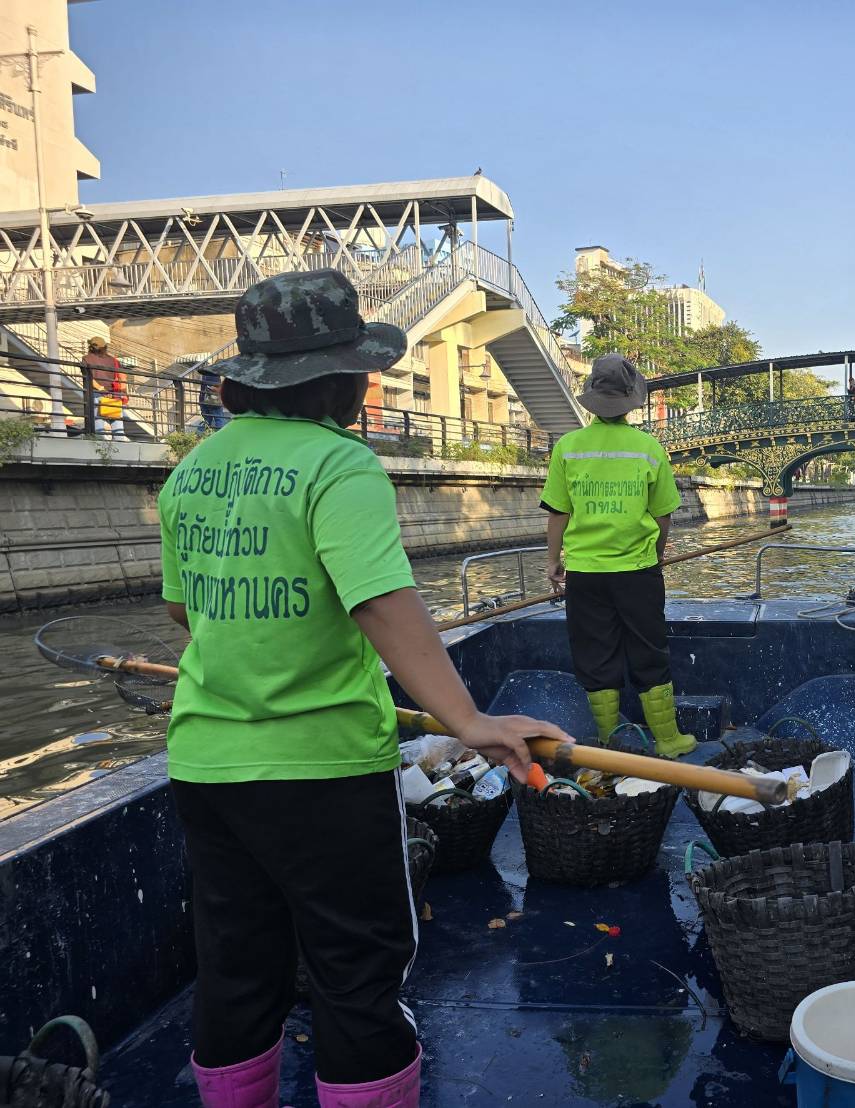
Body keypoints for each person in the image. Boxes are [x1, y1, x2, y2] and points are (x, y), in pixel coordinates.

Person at [158, 268, 573, 1108]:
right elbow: (381, 603)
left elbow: (183, 607)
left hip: (205, 766)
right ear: (339, 380)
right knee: (356, 973)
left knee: (236, 969)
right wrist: (467, 719)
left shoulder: (191, 471)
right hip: (321, 769)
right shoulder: (339, 463)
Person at [540, 354, 696, 758]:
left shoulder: (568, 448)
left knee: (595, 653)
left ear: (592, 397)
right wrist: (654, 556)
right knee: (649, 650)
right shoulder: (648, 448)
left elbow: (558, 513)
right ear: (630, 401)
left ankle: (610, 741)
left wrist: (553, 561)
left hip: (585, 573)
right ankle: (667, 739)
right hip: (638, 571)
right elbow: (662, 516)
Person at [82, 336, 126, 440]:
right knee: (116, 421)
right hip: (113, 394)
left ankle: (100, 444)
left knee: (98, 423)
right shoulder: (113, 360)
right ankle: (120, 443)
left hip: (97, 393)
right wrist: (122, 393)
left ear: (90, 347)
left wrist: (100, 388)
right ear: (105, 347)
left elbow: (88, 377)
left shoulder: (86, 359)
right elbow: (123, 377)